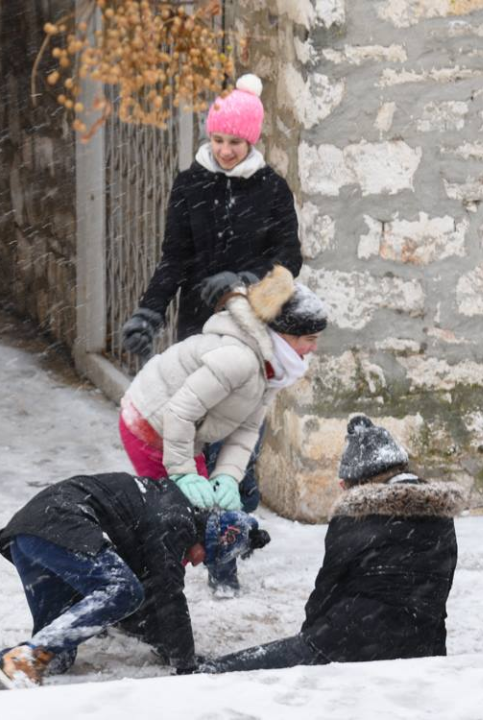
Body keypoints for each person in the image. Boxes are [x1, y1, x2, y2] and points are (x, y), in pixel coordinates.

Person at [120, 73, 303, 550]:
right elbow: (174, 258)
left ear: (252, 139)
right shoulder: (189, 185)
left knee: (240, 438)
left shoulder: (272, 190)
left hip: (252, 331)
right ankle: (201, 534)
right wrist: (149, 312)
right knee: (195, 430)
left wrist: (244, 282)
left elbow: (289, 261)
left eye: (236, 142)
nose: (225, 150)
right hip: (199, 330)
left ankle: (238, 529)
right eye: (219, 139)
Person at [0, 472, 269, 694]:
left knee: (58, 658)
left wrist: (167, 646)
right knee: (122, 590)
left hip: (31, 537)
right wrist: (186, 666)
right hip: (60, 522)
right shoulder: (176, 519)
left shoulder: (166, 512)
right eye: (207, 555)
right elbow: (168, 595)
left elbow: (144, 607)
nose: (198, 562)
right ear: (210, 535)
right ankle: (26, 657)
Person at [199, 415, 468, 673]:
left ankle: (206, 672)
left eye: (344, 484)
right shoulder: (440, 513)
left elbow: (328, 588)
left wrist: (309, 642)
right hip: (420, 646)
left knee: (230, 671)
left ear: (356, 481)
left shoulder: (357, 515)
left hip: (349, 641)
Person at [119, 265, 325, 512]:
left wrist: (228, 475)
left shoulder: (272, 366)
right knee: (177, 520)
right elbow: (179, 412)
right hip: (148, 422)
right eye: (310, 339)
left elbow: (248, 427)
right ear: (284, 335)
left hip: (182, 432)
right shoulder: (240, 360)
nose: (314, 348)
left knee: (206, 519)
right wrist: (183, 474)